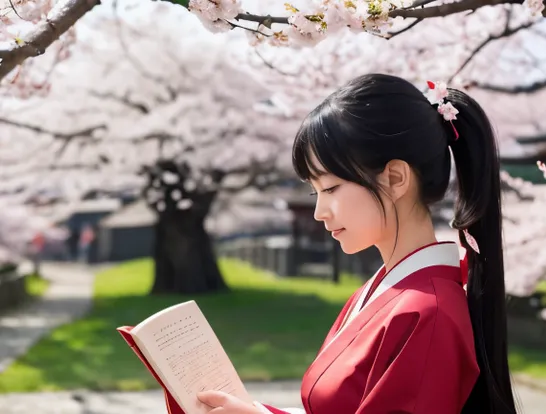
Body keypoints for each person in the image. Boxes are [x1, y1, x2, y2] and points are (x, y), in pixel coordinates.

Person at [198, 73, 517, 413]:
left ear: (395, 178)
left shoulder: (429, 312)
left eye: (331, 189)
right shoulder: (386, 291)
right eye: (315, 192)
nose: (320, 211)